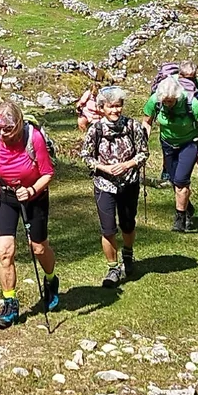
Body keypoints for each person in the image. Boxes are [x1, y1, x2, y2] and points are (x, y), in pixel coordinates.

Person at [0, 94, 57, 328]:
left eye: (8, 129)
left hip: (35, 196)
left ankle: (51, 281)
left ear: (19, 124)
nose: (3, 133)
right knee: (4, 251)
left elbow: (48, 173)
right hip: (5, 195)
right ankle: (9, 303)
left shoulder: (34, 138)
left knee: (39, 248)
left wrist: (31, 190)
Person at [82, 86, 148, 289]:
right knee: (108, 228)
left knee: (128, 224)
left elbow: (144, 153)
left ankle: (128, 255)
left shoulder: (133, 126)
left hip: (129, 183)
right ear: (102, 108)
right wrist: (105, 168)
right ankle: (113, 268)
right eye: (111, 106)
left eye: (118, 106)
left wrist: (127, 165)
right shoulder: (96, 129)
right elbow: (86, 156)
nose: (115, 110)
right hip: (104, 185)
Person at [146, 71, 198, 233]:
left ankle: (179, 220)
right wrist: (142, 143)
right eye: (164, 101)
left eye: (171, 101)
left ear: (177, 96)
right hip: (167, 143)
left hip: (188, 144)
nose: (167, 104)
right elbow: (147, 122)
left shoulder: (191, 103)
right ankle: (188, 209)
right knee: (174, 180)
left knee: (181, 180)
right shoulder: (155, 100)